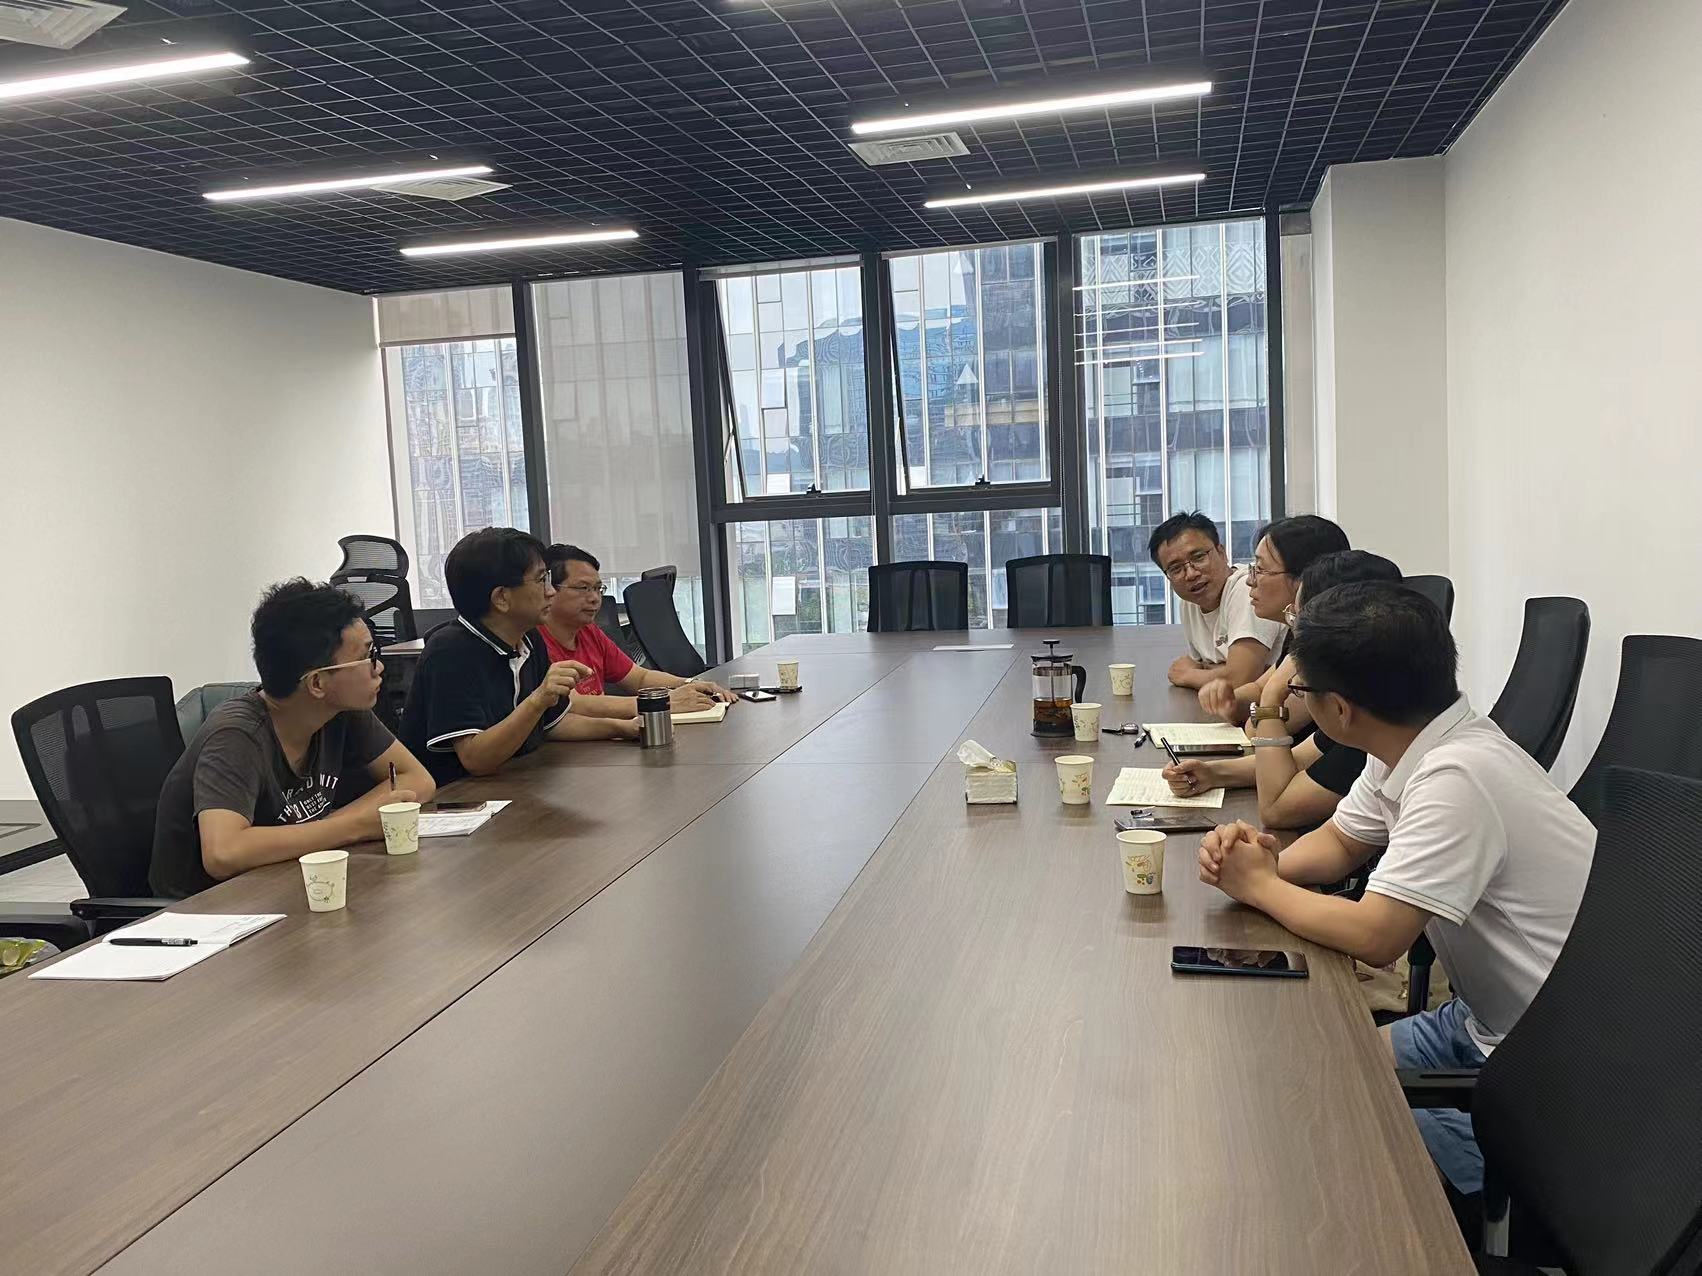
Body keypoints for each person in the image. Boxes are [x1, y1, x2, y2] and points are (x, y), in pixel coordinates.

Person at [1196, 582, 1596, 1198]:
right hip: (1483, 1020)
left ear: (1339, 710)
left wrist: (1260, 888)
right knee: (1317, 1069)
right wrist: (1264, 862)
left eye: (1301, 691)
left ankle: (1494, 1214)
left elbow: (1377, 935)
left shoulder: (1457, 777)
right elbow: (1340, 843)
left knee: (1343, 1131)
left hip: (1553, 1060)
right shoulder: (1408, 743)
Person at [150, 580, 436, 899]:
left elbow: (417, 779)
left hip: (286, 883)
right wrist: (354, 826)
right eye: (368, 656)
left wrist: (338, 824)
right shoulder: (236, 735)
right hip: (209, 907)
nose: (379, 667)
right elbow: (223, 853)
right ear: (317, 683)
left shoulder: (341, 710)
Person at [1165, 550, 1402, 829]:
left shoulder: (1372, 727)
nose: (1294, 637)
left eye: (1297, 619)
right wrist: (1212, 774)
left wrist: (1272, 696)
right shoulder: (1365, 701)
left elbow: (1277, 808)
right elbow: (1300, 759)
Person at [398, 528, 628, 785]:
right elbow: (476, 759)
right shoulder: (450, 652)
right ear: (501, 598)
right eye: (541, 580)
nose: (551, 591)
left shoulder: (529, 638)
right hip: (456, 796)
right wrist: (538, 699)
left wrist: (624, 728)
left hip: (515, 780)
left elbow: (554, 724)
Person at [540, 544, 734, 723]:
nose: (594, 598)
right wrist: (661, 703)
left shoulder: (588, 631)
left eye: (598, 589)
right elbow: (572, 704)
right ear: (548, 589)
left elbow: (639, 678)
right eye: (583, 588)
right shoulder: (535, 642)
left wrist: (689, 684)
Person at [1196, 515, 1349, 723]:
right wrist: (1230, 700)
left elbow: (1263, 724)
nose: (1250, 581)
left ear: (1303, 579)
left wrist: (1265, 700)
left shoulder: (1325, 650)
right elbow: (1259, 689)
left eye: (1260, 570)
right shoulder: (1298, 632)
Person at [1149, 511, 1285, 692]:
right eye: (1176, 569)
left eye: (1198, 557)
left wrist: (1187, 675)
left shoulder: (1248, 589)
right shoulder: (1189, 603)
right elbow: (1206, 666)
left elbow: (1240, 680)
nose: (1191, 574)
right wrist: (1223, 671)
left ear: (1222, 553)